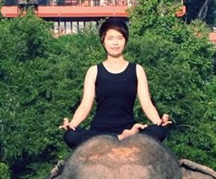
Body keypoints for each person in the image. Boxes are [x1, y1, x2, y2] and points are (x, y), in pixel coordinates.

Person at [60, 18, 173, 149]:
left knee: (159, 132)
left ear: (125, 41)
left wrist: (158, 122)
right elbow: (85, 105)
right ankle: (119, 139)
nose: (115, 43)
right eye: (110, 38)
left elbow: (147, 104)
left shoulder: (137, 70)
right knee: (70, 136)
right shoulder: (94, 71)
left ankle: (123, 137)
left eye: (119, 38)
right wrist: (72, 124)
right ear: (103, 41)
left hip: (130, 129)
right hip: (99, 132)